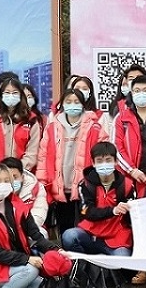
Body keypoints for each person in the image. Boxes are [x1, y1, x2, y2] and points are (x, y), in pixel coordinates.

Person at [36, 86, 105, 236]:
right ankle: (66, 250)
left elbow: (103, 153)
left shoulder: (94, 127)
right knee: (64, 226)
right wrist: (43, 182)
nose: (72, 105)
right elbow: (42, 156)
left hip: (85, 186)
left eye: (76, 101)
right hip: (60, 186)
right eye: (68, 101)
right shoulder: (52, 128)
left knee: (86, 226)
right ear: (62, 104)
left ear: (83, 104)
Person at [61, 141, 134, 261]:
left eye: (108, 160)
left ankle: (107, 267)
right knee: (69, 236)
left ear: (116, 161)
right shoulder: (85, 184)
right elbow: (87, 212)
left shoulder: (127, 185)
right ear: (93, 163)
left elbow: (134, 214)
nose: (104, 164)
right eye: (99, 161)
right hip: (90, 234)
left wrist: (128, 208)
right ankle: (86, 266)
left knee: (123, 258)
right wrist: (113, 210)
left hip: (116, 237)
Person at [0, 74, 41, 177]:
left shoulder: (31, 120)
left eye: (15, 93)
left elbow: (32, 153)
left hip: (20, 175)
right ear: (1, 95)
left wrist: (16, 171)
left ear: (21, 95)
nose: (11, 96)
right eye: (7, 93)